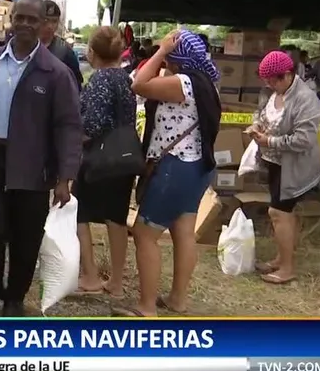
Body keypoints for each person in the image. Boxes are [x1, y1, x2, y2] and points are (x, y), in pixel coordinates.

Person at [0, 0, 83, 317]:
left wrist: (65, 177)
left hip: (35, 167)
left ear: (44, 25)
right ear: (11, 20)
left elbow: (68, 126)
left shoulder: (55, 73)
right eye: (19, 17)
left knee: (27, 237)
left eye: (32, 19)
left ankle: (15, 299)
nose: (24, 24)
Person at [113, 30, 221, 317]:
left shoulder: (183, 83)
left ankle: (147, 307)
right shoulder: (206, 83)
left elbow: (138, 84)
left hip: (175, 167)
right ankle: (177, 299)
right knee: (183, 232)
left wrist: (160, 51)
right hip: (196, 167)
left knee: (144, 234)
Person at [248, 51, 320, 285]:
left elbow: (304, 140)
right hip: (275, 162)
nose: (269, 85)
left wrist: (270, 141)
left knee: (278, 213)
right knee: (283, 213)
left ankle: (287, 268)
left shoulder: (305, 99)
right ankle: (281, 259)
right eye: (266, 81)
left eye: (272, 81)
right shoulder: (273, 92)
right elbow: (262, 113)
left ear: (287, 75)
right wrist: (256, 124)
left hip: (294, 165)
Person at [74, 26, 137, 298]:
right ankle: (116, 282)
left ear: (91, 52)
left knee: (79, 214)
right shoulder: (126, 78)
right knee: (116, 218)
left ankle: (90, 275)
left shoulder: (99, 79)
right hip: (125, 157)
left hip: (99, 159)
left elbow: (93, 124)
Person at [40, 0, 84, 90]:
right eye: (45, 20)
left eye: (54, 21)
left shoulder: (64, 51)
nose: (50, 26)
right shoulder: (28, 46)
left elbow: (76, 83)